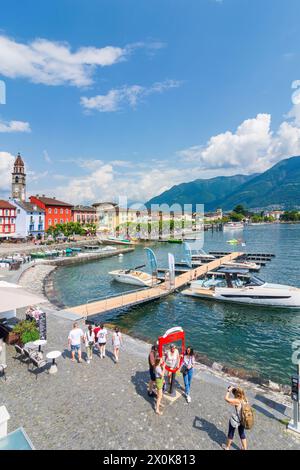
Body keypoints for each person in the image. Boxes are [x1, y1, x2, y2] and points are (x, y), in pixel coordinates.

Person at [222, 386, 248, 451]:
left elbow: (226, 399)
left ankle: (227, 447)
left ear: (237, 394)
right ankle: (245, 448)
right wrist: (234, 389)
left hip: (236, 420)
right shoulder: (245, 399)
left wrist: (228, 391)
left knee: (231, 433)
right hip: (243, 420)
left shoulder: (237, 401)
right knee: (242, 433)